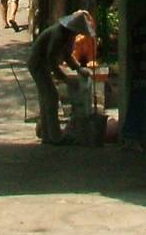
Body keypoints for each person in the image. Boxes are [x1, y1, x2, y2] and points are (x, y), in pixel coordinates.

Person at [27, 10, 96, 144]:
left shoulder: (68, 36)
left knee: (46, 98)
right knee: (51, 96)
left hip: (43, 63)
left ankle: (47, 134)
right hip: (37, 64)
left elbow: (66, 55)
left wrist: (78, 68)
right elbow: (51, 58)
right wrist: (65, 79)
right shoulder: (59, 34)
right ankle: (55, 136)